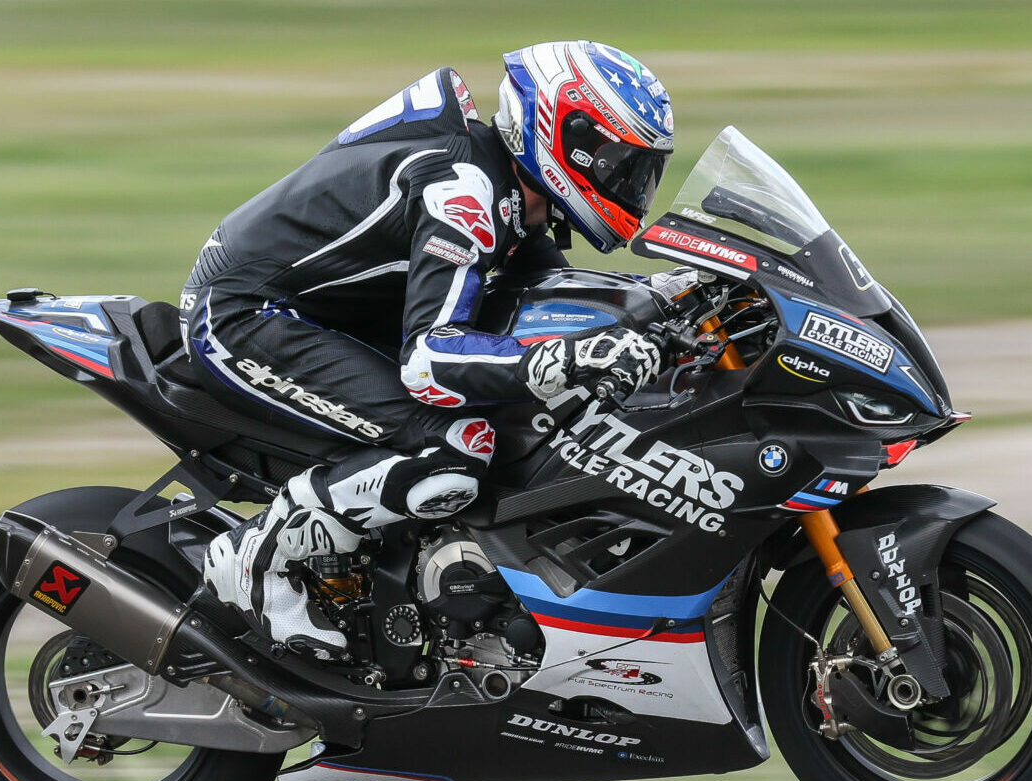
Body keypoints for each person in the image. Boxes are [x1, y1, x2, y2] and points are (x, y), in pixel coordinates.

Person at [180, 41, 677, 659]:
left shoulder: (516, 198)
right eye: (619, 162)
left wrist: (671, 299)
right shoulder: (464, 191)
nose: (631, 183)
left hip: (326, 312)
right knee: (452, 447)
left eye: (642, 169)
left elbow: (563, 292)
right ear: (565, 134)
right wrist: (567, 361)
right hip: (247, 318)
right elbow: (430, 364)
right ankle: (258, 555)